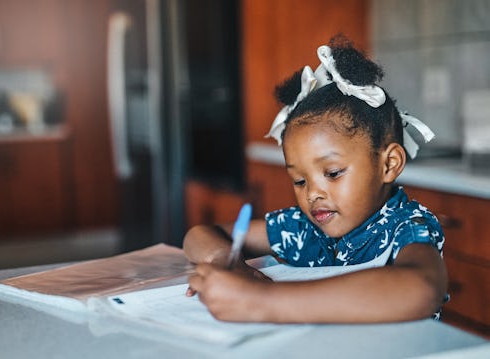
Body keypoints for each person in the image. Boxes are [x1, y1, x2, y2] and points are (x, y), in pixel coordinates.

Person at [183, 35, 447, 324]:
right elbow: (198, 235)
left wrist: (260, 302)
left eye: (332, 173)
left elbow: (422, 288)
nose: (312, 194)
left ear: (389, 164)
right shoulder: (305, 227)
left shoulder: (407, 225)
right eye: (299, 180)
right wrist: (225, 260)